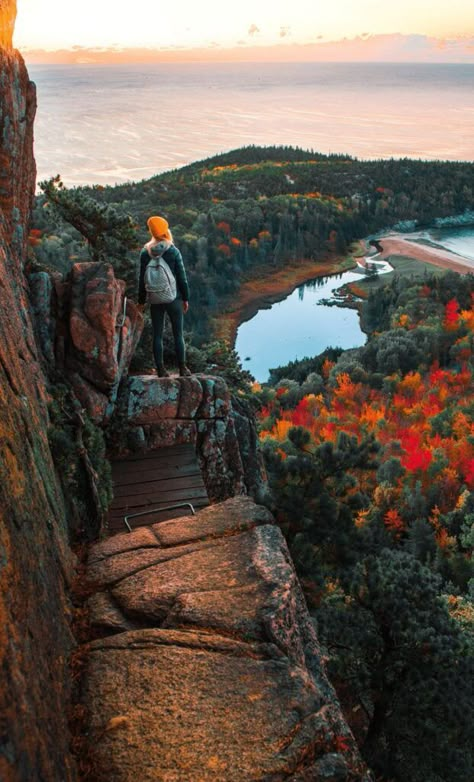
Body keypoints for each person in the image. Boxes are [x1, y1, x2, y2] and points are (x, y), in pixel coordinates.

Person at [137, 215, 191, 377]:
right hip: (173, 298)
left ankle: (161, 370)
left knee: (157, 335)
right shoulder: (173, 251)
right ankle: (182, 368)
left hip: (155, 298)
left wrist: (141, 301)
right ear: (165, 231)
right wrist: (186, 298)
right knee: (178, 334)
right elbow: (182, 278)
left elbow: (142, 278)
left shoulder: (145, 252)